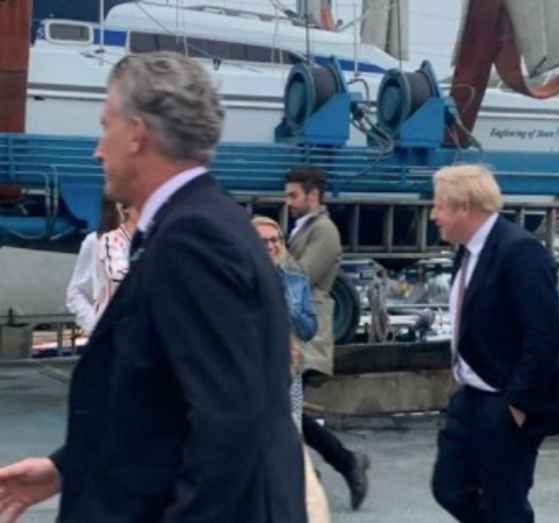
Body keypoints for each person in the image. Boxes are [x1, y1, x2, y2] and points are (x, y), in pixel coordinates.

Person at [0, 52, 305, 523]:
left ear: (137, 133)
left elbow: (229, 429)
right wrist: (67, 467)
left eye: (105, 127)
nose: (97, 150)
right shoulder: (202, 223)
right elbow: (162, 405)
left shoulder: (194, 240)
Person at [429, 164, 559, 523]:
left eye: (439, 206)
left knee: (505, 502)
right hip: (470, 397)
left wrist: (518, 404)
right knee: (448, 488)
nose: (433, 216)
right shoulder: (467, 250)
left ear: (463, 207)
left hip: (504, 400)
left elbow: (544, 334)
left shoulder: (519, 251)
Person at [284, 165, 371, 510]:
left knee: (284, 412)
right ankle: (344, 463)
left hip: (308, 334)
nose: (287, 201)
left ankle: (314, 479)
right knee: (288, 412)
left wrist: (271, 253)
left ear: (313, 195)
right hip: (293, 332)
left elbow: (301, 276)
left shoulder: (324, 231)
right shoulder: (303, 228)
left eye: (293, 195)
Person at [252, 215, 331, 523]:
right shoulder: (240, 278)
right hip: (253, 373)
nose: (271, 246)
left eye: (276, 240)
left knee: (290, 439)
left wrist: (289, 304)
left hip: (288, 370)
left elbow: (309, 328)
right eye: (264, 241)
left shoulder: (295, 282)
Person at [65, 195, 121, 335]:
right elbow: (75, 292)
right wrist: (94, 325)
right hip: (110, 337)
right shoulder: (95, 242)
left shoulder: (151, 241)